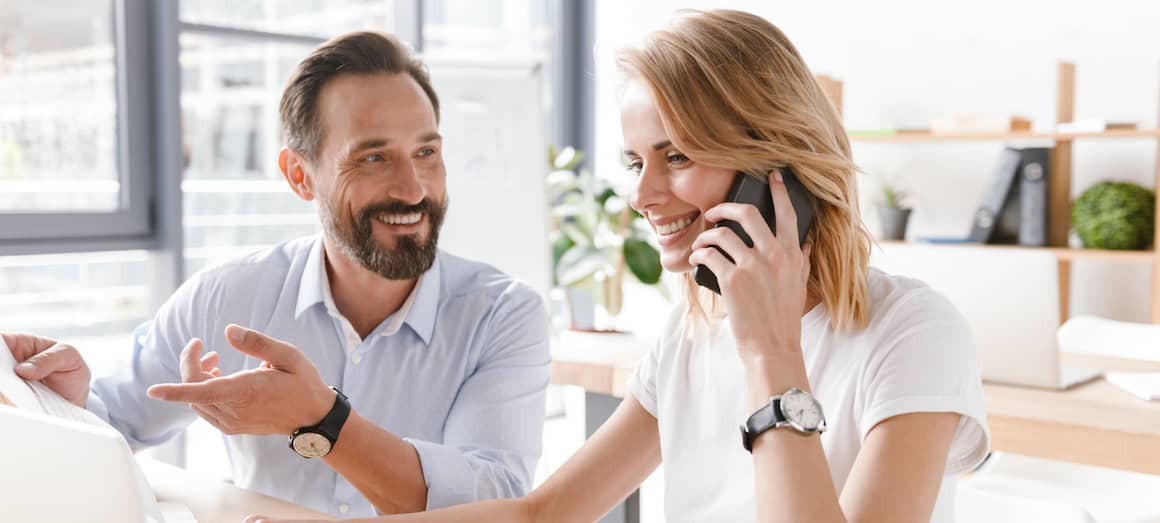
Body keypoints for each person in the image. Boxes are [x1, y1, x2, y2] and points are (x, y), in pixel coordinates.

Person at [247, 9, 991, 523]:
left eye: (678, 156)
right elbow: (545, 512)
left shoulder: (911, 332)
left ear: (779, 168)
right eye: (637, 160)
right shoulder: (688, 337)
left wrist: (772, 355)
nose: (642, 193)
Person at [1, 31, 551, 518]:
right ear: (299, 175)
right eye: (374, 158)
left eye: (426, 152)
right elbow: (114, 421)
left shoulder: (503, 315)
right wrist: (68, 401)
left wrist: (321, 418)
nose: (413, 190)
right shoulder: (230, 295)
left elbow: (495, 507)